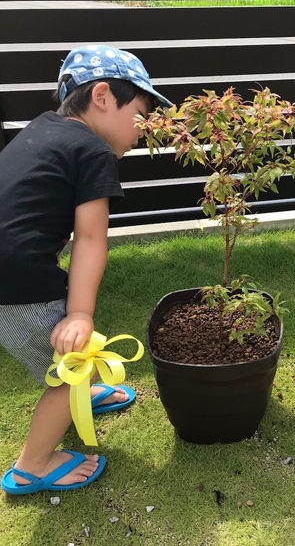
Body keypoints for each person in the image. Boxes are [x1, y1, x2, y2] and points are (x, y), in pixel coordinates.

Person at [0, 45, 171, 494]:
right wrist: (79, 313)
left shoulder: (42, 128)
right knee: (72, 362)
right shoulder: (94, 150)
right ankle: (33, 464)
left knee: (70, 357)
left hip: (8, 266)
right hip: (15, 276)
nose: (144, 127)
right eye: (140, 111)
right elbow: (91, 238)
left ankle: (85, 393)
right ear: (101, 95)